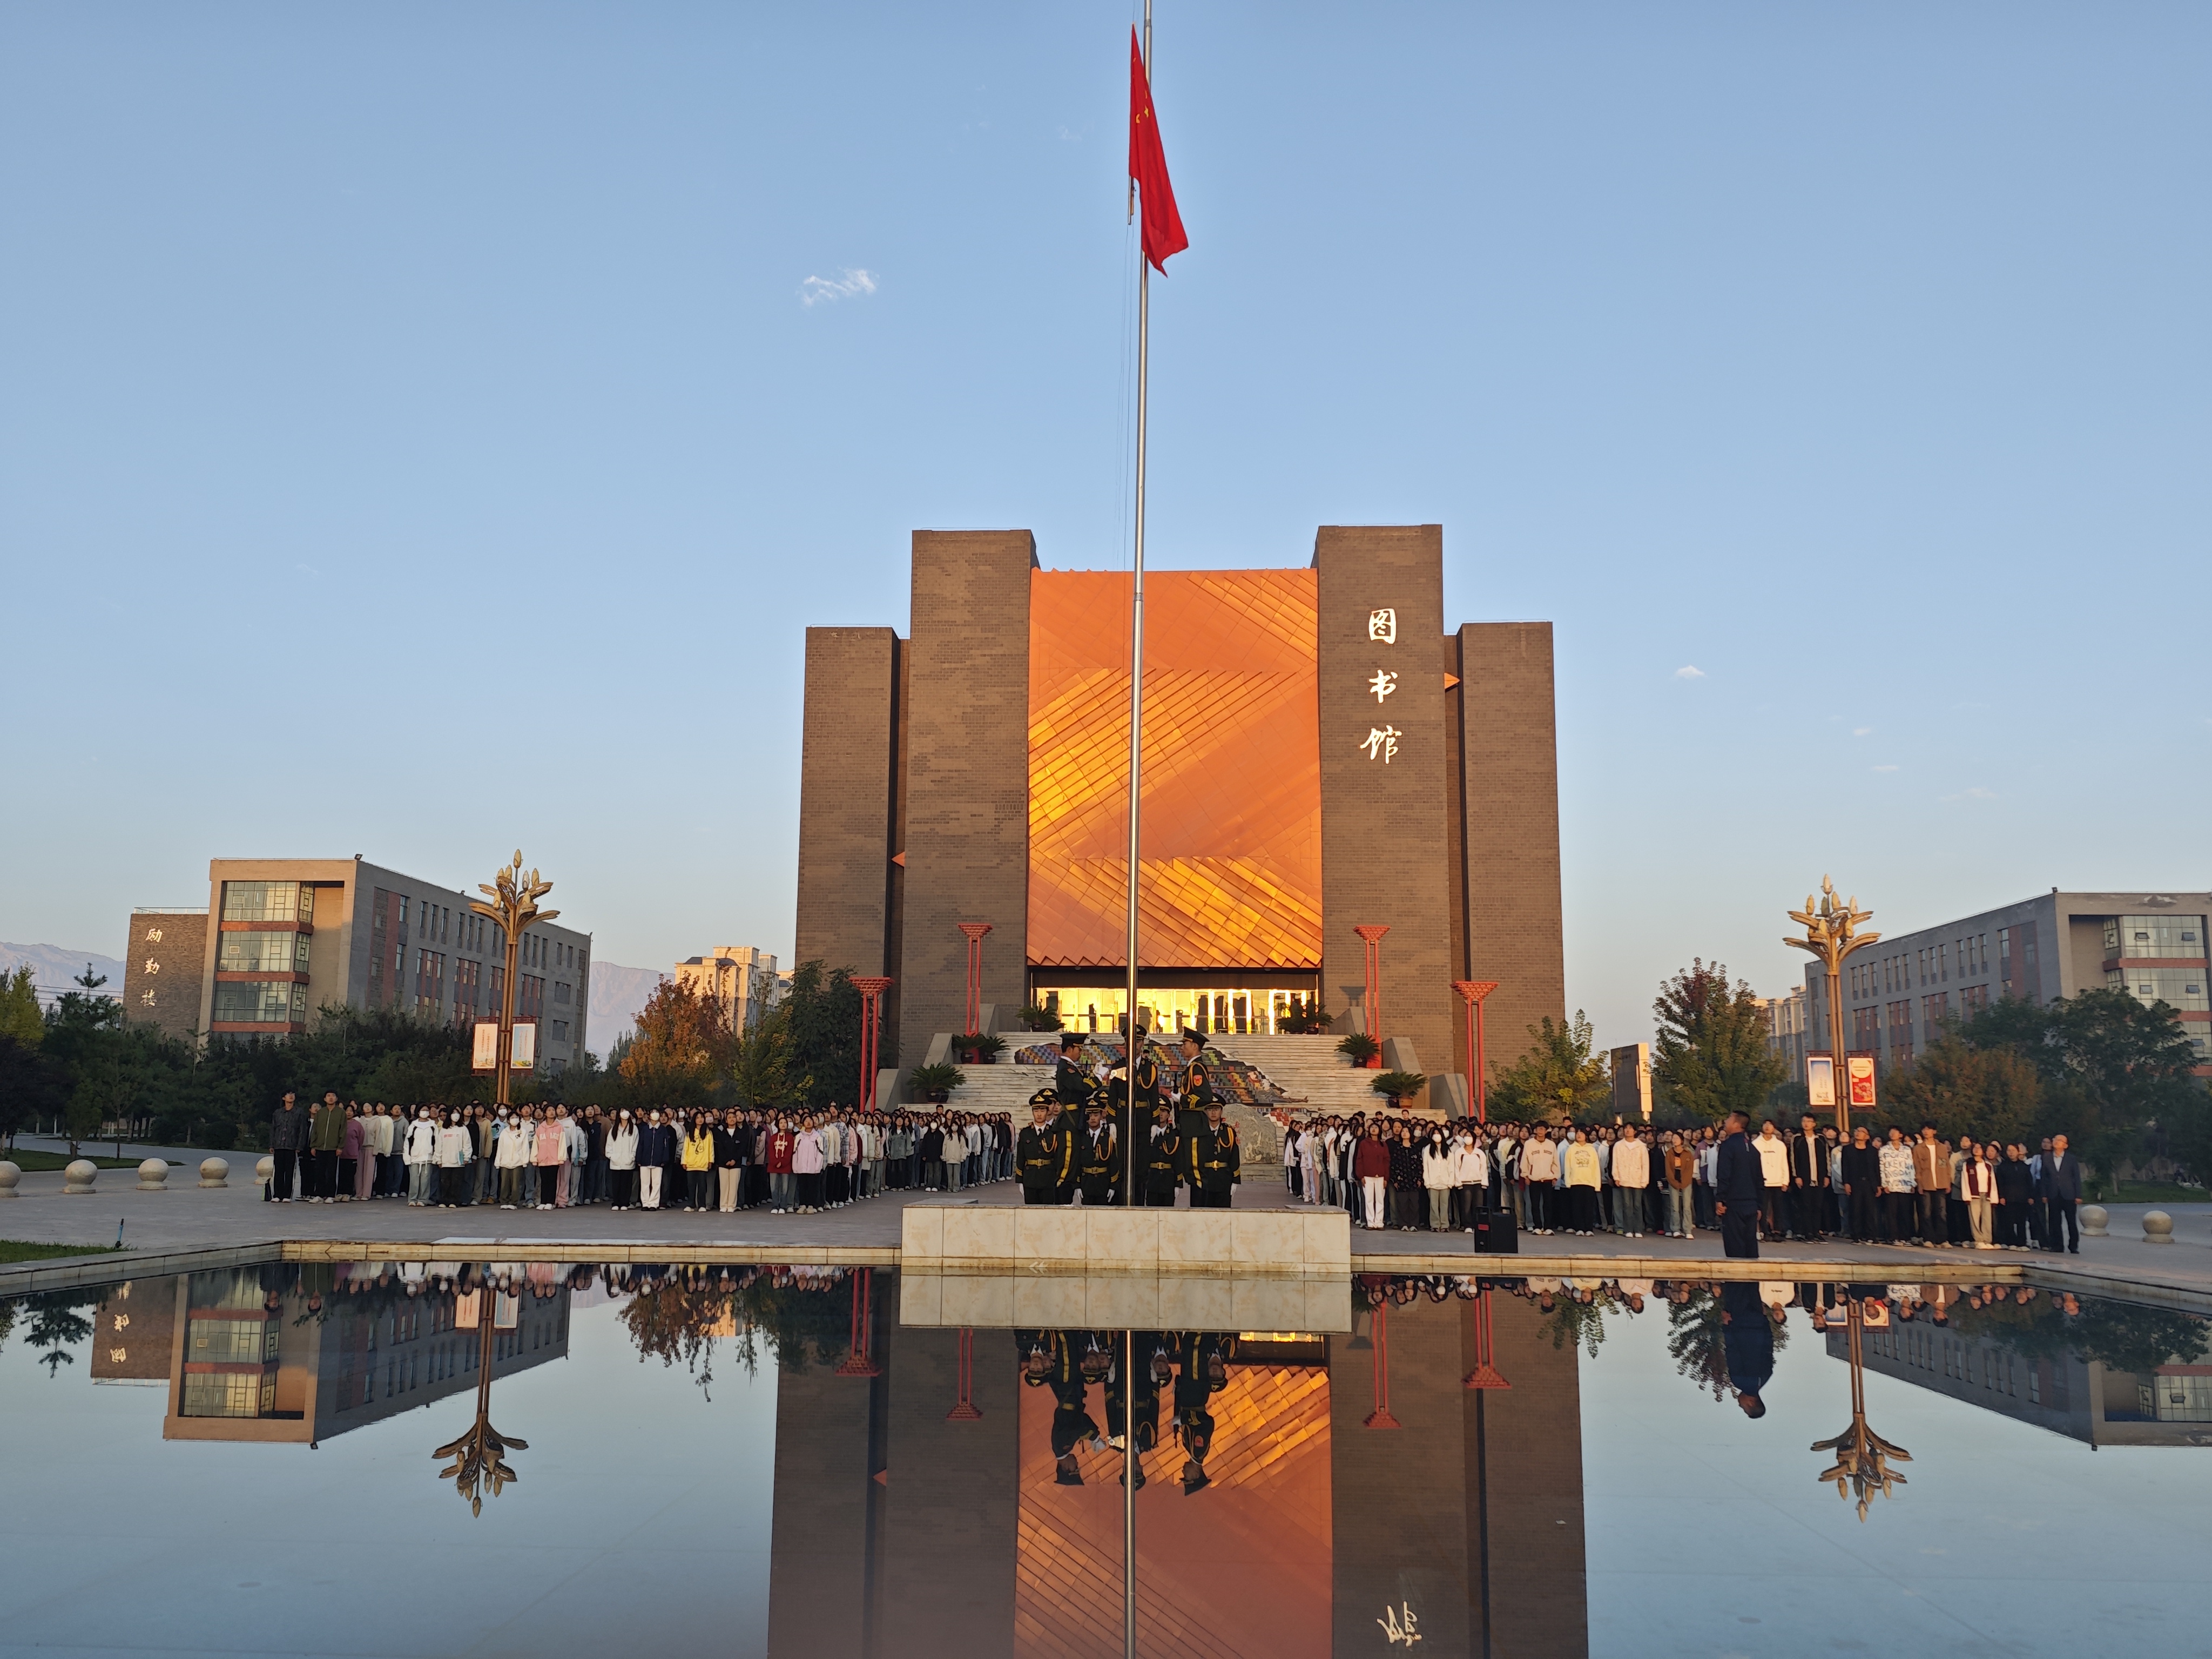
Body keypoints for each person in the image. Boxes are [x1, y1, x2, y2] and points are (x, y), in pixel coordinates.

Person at [1714, 1111, 1764, 1259]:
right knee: (1750, 1245)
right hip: (1751, 1204)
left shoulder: (1728, 1146)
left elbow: (1724, 1175)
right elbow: (1759, 1179)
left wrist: (1720, 1199)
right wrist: (1759, 1205)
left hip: (1734, 1203)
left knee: (1735, 1245)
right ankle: (1752, 1274)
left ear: (1736, 1124)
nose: (1726, 1121)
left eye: (1729, 1118)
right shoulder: (1753, 1149)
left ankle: (1737, 1275)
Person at [1720, 1280, 1773, 1418]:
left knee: (1751, 1281)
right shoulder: (1740, 1381)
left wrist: (1765, 1320)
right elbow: (1733, 1352)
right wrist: (1727, 1326)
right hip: (1739, 1322)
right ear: (1750, 1403)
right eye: (1743, 1408)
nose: (1740, 1405)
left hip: (1757, 1321)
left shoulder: (1766, 1376)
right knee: (1735, 1280)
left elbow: (1768, 1346)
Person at [1019, 1092, 1071, 1204]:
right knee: (1031, 1211)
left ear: (1047, 1112)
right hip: (1030, 1179)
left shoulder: (1053, 1133)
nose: (1039, 1114)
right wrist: (1020, 1180)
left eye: (1042, 1111)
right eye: (1036, 1111)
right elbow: (1021, 1157)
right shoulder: (1025, 1133)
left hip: (1048, 1178)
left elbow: (1058, 1158)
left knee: (1047, 1211)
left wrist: (1058, 1178)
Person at [1189, 1100, 1239, 1209]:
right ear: (1205, 1112)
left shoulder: (1229, 1132)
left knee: (1223, 1215)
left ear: (1221, 1111)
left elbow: (1234, 1156)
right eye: (1210, 1109)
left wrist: (1235, 1180)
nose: (1213, 1113)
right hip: (1203, 1180)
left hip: (1223, 1181)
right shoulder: (1198, 1132)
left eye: (1216, 1109)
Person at [1788, 1114, 1829, 1241]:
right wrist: (1797, 1176)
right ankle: (1808, 1232)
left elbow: (1826, 1157)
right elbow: (1794, 1158)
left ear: (1814, 1124)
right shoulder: (1797, 1138)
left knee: (1818, 1205)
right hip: (1804, 1177)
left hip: (1819, 1176)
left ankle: (1816, 1231)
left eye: (1809, 1121)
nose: (1806, 1124)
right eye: (1804, 1121)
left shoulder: (1821, 1139)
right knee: (1806, 1205)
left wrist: (1827, 1175)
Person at [1838, 1125, 1881, 1242]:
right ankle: (1856, 1236)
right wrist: (1846, 1183)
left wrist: (1878, 1185)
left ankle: (1870, 1235)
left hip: (1869, 1183)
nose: (1858, 1133)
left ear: (1867, 1137)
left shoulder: (1872, 1150)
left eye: (1862, 1132)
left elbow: (1876, 1168)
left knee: (1870, 1210)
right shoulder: (1848, 1149)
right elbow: (1845, 1167)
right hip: (1854, 1183)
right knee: (1855, 1209)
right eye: (1857, 1131)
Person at [1911, 1125, 1951, 1246]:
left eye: (1928, 1129)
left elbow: (1946, 1166)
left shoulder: (1942, 1148)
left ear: (1934, 1131)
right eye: (1924, 1129)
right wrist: (1919, 1184)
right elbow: (1917, 1167)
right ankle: (1928, 1238)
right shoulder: (1918, 1149)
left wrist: (1948, 1182)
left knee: (1941, 1212)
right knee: (1926, 1212)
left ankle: (1942, 1239)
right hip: (1926, 1183)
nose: (1926, 1132)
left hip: (1941, 1183)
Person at [2044, 1133, 2083, 1253]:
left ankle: (2073, 1246)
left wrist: (2078, 1195)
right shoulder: (2047, 1158)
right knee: (2054, 1222)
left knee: (2071, 1221)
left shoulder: (2071, 1159)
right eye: (2055, 1139)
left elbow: (2077, 1177)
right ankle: (2057, 1246)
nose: (2057, 1141)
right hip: (2053, 1194)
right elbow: (2044, 1177)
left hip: (2069, 1194)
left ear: (2065, 1145)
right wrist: (2044, 1194)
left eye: (2060, 1140)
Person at [1611, 1124, 1650, 1239]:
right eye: (1626, 1129)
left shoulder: (1641, 1146)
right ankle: (1628, 1230)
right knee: (1627, 1205)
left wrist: (1645, 1180)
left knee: (1637, 1205)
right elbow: (1615, 1162)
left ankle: (1638, 1230)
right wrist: (1616, 1177)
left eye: (1630, 1129)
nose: (1628, 1131)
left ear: (1635, 1131)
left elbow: (1645, 1164)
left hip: (1638, 1178)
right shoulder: (1618, 1145)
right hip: (1624, 1178)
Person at [1877, 1127, 1916, 1244]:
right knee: (1891, 1213)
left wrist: (1913, 1183)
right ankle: (1893, 1237)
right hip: (1891, 1185)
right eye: (1891, 1132)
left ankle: (1905, 1237)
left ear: (1901, 1135)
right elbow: (1882, 1167)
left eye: (1895, 1132)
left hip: (1905, 1185)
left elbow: (1911, 1166)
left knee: (1905, 1213)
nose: (1893, 1134)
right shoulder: (1884, 1150)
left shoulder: (1907, 1150)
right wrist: (1884, 1184)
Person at [267, 1091, 307, 1202]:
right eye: (288, 1094)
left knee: (289, 1172)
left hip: (292, 1146)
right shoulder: (278, 1113)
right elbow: (273, 1129)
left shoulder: (299, 1112)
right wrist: (271, 1144)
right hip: (279, 1145)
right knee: (278, 1171)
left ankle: (287, 1195)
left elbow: (302, 1130)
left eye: (293, 1094)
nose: (291, 1096)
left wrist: (300, 1145)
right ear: (284, 1098)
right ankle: (277, 1195)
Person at [308, 1091, 346, 1202]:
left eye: (333, 1096)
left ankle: (330, 1195)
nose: (331, 1098)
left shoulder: (341, 1113)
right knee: (319, 1172)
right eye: (328, 1096)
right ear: (325, 1099)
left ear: (336, 1099)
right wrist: (313, 1145)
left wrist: (340, 1147)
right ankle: (319, 1194)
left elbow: (343, 1130)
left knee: (331, 1172)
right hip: (320, 1147)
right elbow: (315, 1130)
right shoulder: (321, 1113)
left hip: (333, 1148)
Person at [1353, 1120, 1391, 1230]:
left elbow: (1387, 1161)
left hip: (1381, 1176)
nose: (1374, 1129)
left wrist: (1386, 1177)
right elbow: (1359, 1160)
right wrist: (1361, 1176)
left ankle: (1379, 1222)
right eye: (1372, 1128)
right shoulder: (1364, 1143)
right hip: (1367, 1175)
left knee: (1380, 1199)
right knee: (1369, 1200)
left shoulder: (1383, 1144)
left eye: (1376, 1128)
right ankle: (1370, 1222)